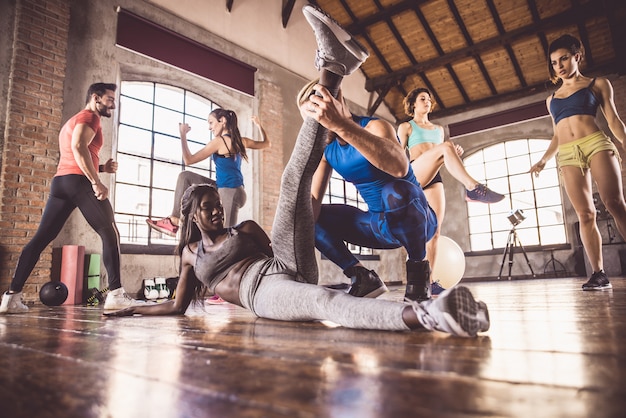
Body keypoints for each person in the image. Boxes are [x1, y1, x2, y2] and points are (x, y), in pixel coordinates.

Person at [104, 4, 490, 338]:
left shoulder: (372, 127)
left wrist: (340, 128)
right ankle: (417, 309)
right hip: (265, 292)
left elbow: (399, 165)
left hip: (407, 221)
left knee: (307, 186)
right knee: (321, 287)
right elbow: (176, 306)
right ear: (191, 216)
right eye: (207, 208)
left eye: (214, 204)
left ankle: (333, 67)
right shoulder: (191, 255)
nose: (216, 210)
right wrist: (132, 309)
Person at [0, 83, 142, 314]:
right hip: (78, 182)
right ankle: (116, 295)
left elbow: (74, 153)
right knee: (110, 231)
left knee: (40, 239)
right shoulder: (90, 117)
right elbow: (78, 147)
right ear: (95, 98)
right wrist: (96, 181)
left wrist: (102, 168)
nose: (113, 104)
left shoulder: (74, 120)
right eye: (109, 99)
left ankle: (11, 297)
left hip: (62, 183)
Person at [530, 34, 626, 291]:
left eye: (563, 58)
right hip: (568, 154)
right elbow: (557, 134)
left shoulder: (598, 84)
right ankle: (599, 274)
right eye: (553, 62)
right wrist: (543, 160)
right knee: (585, 214)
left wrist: (624, 141)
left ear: (577, 56)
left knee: (615, 203)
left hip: (596, 143)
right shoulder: (551, 100)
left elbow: (614, 120)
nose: (559, 65)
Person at [397, 88, 505, 295]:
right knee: (446, 147)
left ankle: (428, 281)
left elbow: (441, 157)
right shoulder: (406, 127)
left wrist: (452, 154)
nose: (427, 102)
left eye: (429, 99)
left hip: (434, 178)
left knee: (435, 232)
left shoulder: (438, 129)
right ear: (413, 104)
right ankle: (473, 188)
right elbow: (398, 155)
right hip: (414, 174)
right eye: (422, 99)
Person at [146, 111, 269, 236]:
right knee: (185, 177)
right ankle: (174, 221)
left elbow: (188, 160)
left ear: (222, 121)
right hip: (224, 188)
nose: (209, 127)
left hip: (230, 192)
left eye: (211, 122)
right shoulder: (241, 141)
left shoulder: (219, 141)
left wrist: (182, 134)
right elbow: (266, 143)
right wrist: (259, 125)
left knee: (226, 238)